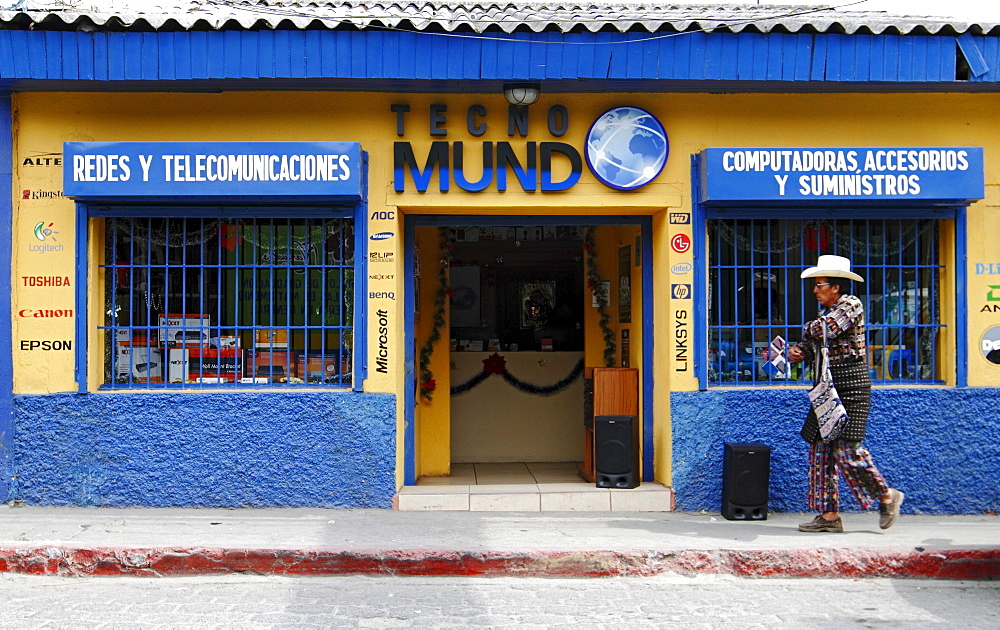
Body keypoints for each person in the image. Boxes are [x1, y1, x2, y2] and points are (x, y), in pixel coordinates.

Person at [787, 255, 904, 533]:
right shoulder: (824, 314)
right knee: (821, 450)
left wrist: (807, 334)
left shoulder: (851, 305)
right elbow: (815, 343)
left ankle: (887, 495)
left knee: (847, 449)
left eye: (819, 285)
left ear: (836, 287)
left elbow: (826, 330)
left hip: (851, 387)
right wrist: (797, 351)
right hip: (827, 389)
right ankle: (829, 516)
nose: (815, 290)